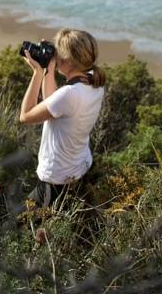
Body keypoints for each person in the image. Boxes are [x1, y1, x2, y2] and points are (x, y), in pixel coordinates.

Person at [20, 28, 105, 207]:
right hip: (78, 167)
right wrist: (48, 70)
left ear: (67, 60)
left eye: (57, 54)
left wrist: (37, 74)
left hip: (56, 179)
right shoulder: (93, 82)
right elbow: (54, 102)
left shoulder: (69, 94)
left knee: (24, 228)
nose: (55, 57)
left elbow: (25, 115)